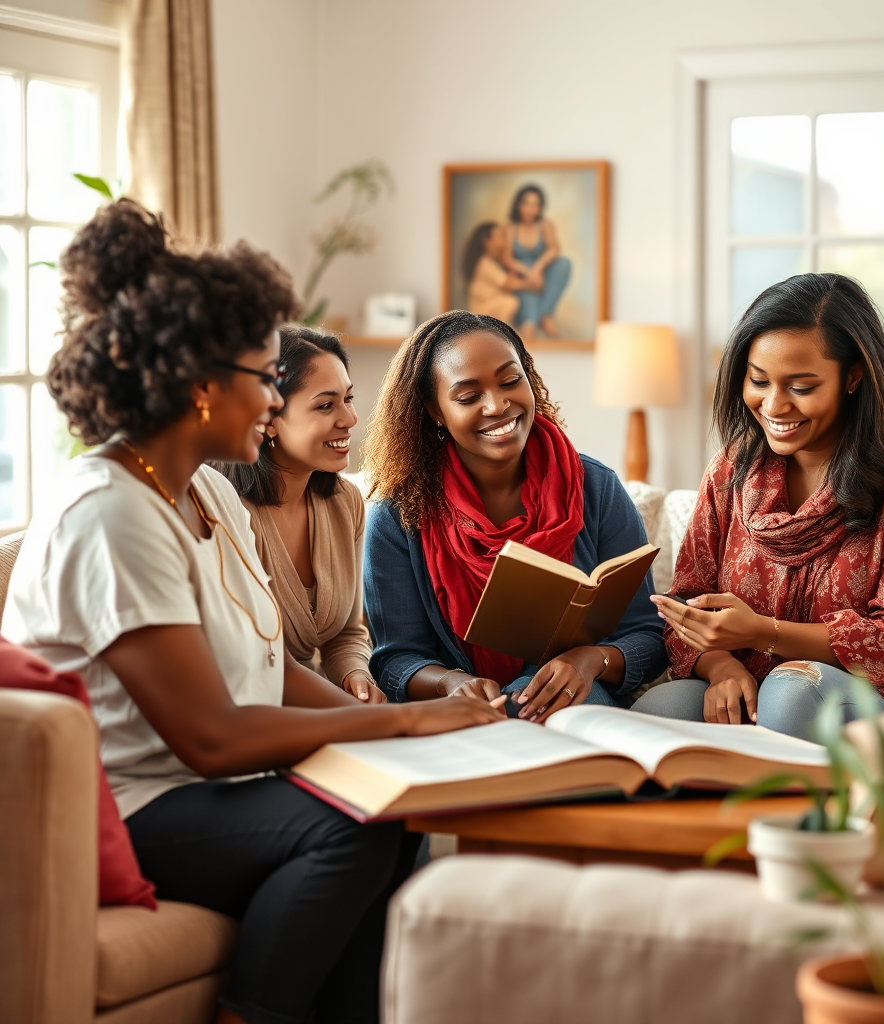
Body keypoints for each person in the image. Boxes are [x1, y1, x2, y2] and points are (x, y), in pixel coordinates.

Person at [1, 200, 503, 1024]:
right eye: (264, 380)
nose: (276, 406)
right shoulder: (110, 513)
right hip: (130, 803)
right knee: (358, 827)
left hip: (196, 789)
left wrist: (385, 726)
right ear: (199, 386)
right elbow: (210, 739)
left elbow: (272, 668)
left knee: (398, 809)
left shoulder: (204, 491)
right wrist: (402, 728)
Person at [632, 273, 884, 741]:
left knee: (789, 694)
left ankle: (798, 817)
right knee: (657, 711)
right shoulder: (732, 467)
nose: (773, 405)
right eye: (758, 380)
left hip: (879, 695)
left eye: (801, 387)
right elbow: (686, 603)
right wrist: (722, 666)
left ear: (853, 376)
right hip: (749, 681)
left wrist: (762, 632)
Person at [361, 309, 666, 720]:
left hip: (577, 703)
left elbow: (648, 633)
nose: (497, 405)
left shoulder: (596, 487)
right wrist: (450, 683)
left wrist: (589, 660)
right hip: (460, 715)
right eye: (469, 397)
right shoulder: (399, 513)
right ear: (435, 411)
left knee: (532, 705)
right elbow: (395, 658)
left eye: (510, 381)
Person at [215, 324, 385, 703]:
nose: (350, 418)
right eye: (326, 405)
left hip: (324, 707)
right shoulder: (224, 511)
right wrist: (354, 714)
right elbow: (245, 660)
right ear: (268, 417)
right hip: (256, 715)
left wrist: (356, 678)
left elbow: (346, 632)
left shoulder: (345, 502)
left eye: (348, 398)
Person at [501, 184, 571, 343]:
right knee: (527, 289)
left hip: (542, 276)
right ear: (518, 205)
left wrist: (537, 269)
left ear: (540, 207)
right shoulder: (510, 228)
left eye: (535, 205)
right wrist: (527, 272)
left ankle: (544, 315)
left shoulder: (545, 225)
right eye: (526, 203)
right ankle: (531, 322)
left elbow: (554, 248)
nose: (530, 209)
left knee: (564, 264)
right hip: (522, 277)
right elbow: (507, 258)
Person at [462, 221, 525, 324]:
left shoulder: (490, 261)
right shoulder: (485, 263)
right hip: (483, 308)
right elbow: (507, 283)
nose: (504, 241)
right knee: (510, 302)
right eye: (499, 237)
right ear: (487, 242)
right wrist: (527, 284)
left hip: (485, 306)